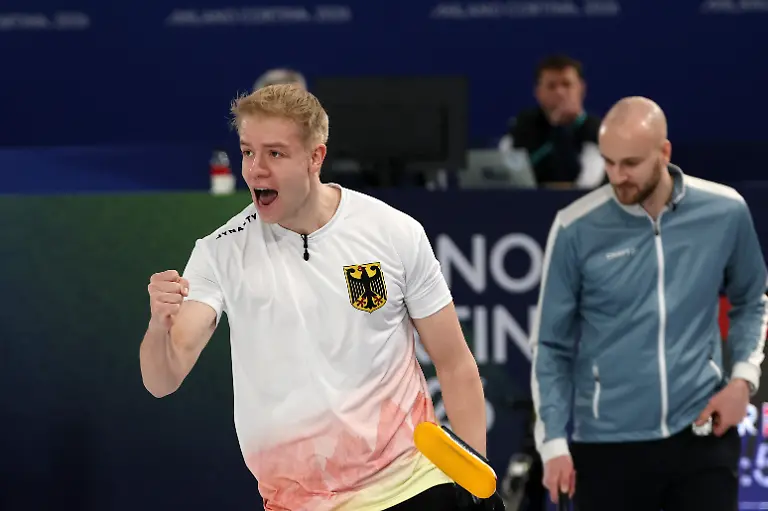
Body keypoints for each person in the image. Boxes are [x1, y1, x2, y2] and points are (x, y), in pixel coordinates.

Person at [139, 84, 504, 511]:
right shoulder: (219, 253)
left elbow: (455, 362)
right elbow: (162, 381)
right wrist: (157, 326)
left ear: (316, 157)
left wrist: (477, 480)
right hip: (299, 501)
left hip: (410, 483)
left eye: (275, 154)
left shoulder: (393, 232)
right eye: (248, 152)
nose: (256, 170)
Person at [530, 96, 767, 510]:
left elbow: (751, 300)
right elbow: (551, 345)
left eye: (631, 163)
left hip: (701, 433)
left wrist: (742, 381)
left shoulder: (725, 211)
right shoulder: (574, 227)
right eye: (608, 162)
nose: (617, 176)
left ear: (665, 152)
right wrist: (552, 443)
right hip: (607, 445)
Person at [498, 55, 604, 190]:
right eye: (551, 86)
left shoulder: (596, 130)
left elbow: (588, 183)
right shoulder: (523, 126)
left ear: (581, 88)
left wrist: (560, 130)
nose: (560, 92)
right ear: (538, 92)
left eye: (566, 84)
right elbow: (508, 175)